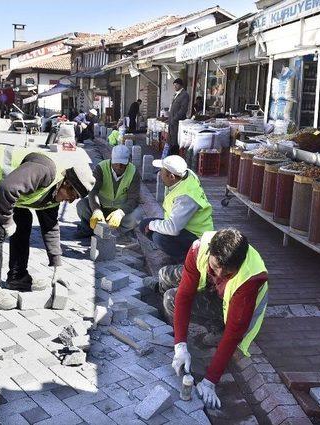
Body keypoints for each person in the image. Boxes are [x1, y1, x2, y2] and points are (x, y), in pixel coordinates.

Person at [0, 144, 95, 309]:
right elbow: (7, 188)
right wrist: (6, 221)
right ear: (65, 183)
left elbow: (50, 228)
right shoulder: (45, 172)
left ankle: (17, 276)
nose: (70, 201)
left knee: (23, 219)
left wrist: (57, 266)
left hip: (6, 185)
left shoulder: (55, 194)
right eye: (72, 195)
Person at [155, 228, 269, 410]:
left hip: (239, 309)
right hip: (214, 291)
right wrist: (180, 346)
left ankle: (216, 326)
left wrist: (210, 381)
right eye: (216, 267)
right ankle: (157, 282)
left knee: (226, 334)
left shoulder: (250, 277)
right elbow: (184, 297)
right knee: (171, 296)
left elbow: (234, 333)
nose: (220, 274)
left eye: (228, 273)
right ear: (210, 252)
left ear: (238, 266)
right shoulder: (199, 249)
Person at [139, 155, 213, 262]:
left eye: (162, 172)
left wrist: (152, 225)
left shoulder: (186, 197)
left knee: (159, 237)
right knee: (144, 224)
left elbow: (173, 228)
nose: (159, 175)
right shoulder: (185, 175)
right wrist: (150, 225)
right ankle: (178, 252)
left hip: (198, 237)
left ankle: (186, 260)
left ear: (172, 177)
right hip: (183, 227)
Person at [75, 145, 144, 238]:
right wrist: (96, 210)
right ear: (111, 159)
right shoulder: (101, 168)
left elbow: (133, 199)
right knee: (81, 205)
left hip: (120, 211)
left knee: (137, 215)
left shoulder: (133, 172)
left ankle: (117, 232)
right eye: (116, 163)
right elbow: (93, 191)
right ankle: (90, 228)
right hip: (102, 208)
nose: (119, 166)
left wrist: (121, 212)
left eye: (123, 164)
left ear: (128, 162)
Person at [168, 78, 190, 156]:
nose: (175, 86)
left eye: (176, 85)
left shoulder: (184, 95)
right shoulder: (176, 94)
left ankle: (175, 157)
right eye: (174, 85)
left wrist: (175, 118)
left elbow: (183, 109)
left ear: (180, 85)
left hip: (177, 122)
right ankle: (171, 156)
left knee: (175, 140)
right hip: (172, 121)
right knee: (171, 140)